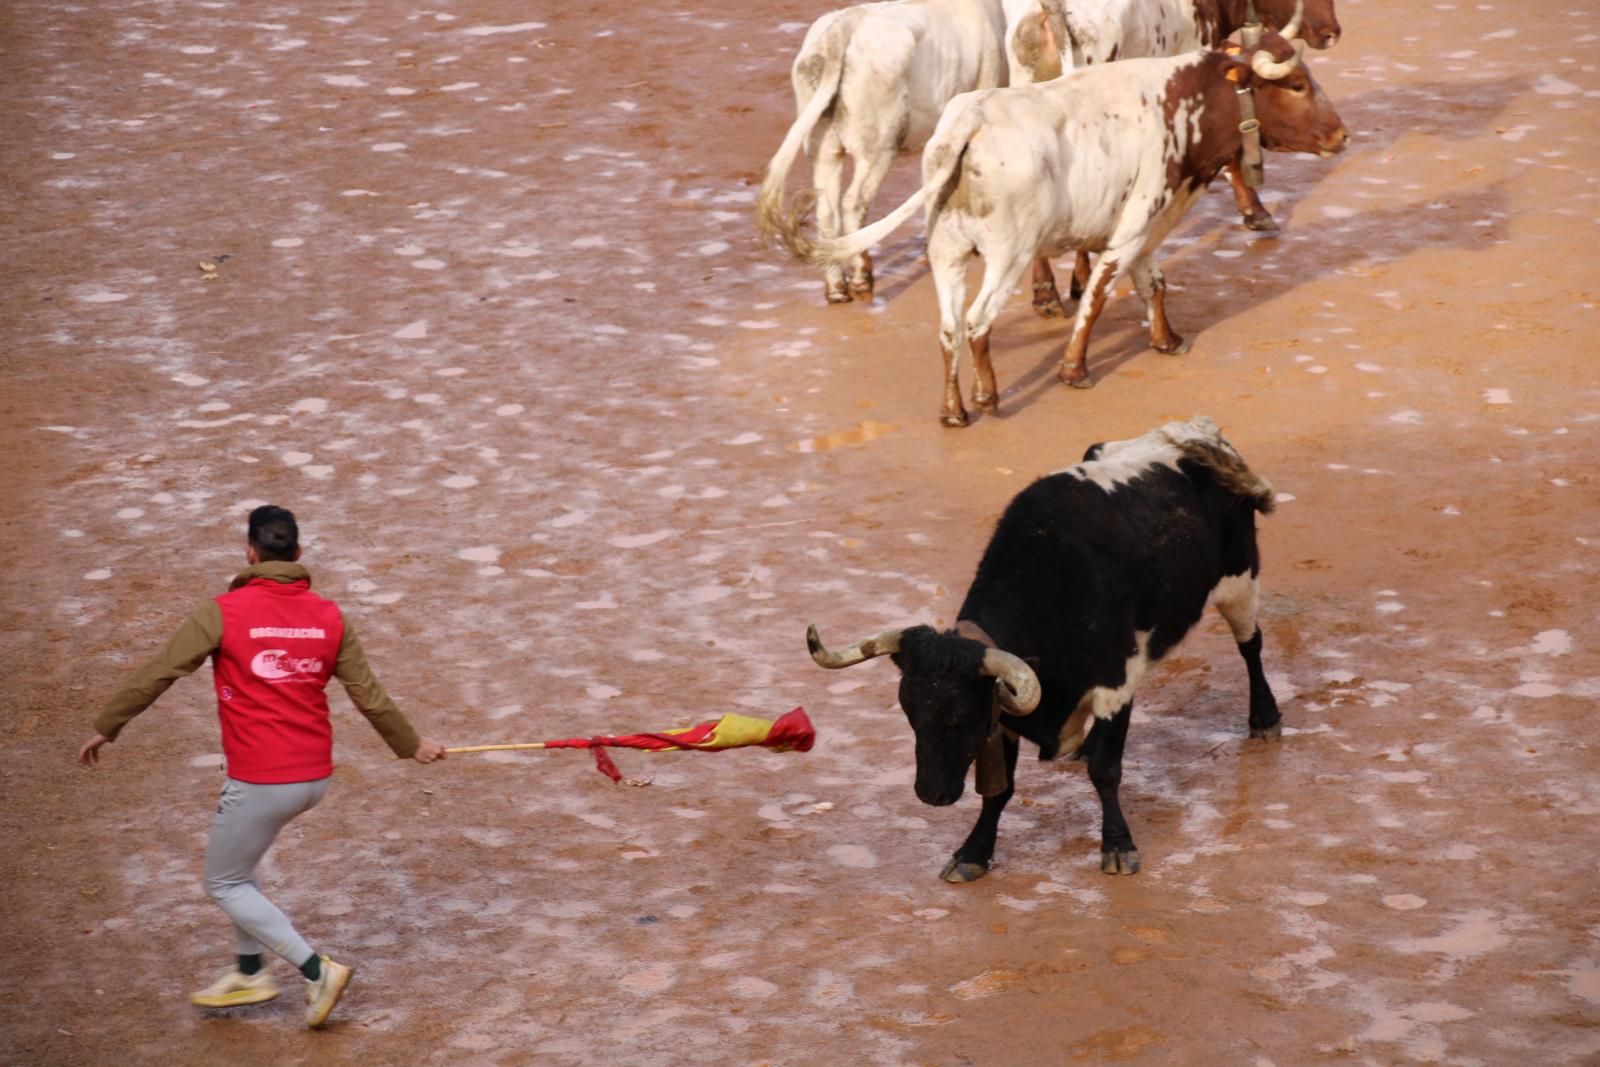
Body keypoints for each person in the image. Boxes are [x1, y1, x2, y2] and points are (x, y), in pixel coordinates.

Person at [78, 504, 447, 1029]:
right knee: (242, 866)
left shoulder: (223, 611)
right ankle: (249, 970)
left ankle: (316, 970)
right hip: (313, 778)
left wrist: (108, 724)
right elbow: (371, 697)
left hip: (261, 782)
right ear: (297, 554)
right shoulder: (329, 616)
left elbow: (160, 671)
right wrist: (413, 745)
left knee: (222, 883)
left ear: (250, 553)